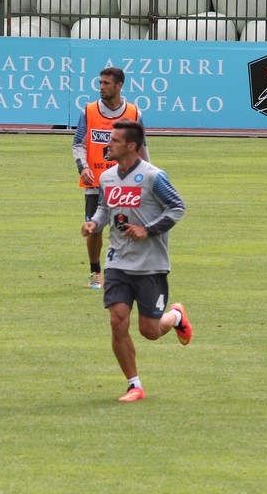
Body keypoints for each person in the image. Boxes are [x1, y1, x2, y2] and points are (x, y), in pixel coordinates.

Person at [80, 120, 192, 402]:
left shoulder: (154, 177)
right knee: (118, 320)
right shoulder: (107, 177)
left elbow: (177, 208)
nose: (108, 144)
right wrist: (94, 223)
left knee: (149, 331)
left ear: (131, 146)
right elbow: (104, 208)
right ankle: (134, 385)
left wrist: (148, 229)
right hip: (117, 262)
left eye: (114, 141)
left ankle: (176, 316)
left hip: (150, 264)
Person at [72, 66, 148, 289]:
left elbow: (142, 148)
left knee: (125, 228)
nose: (101, 87)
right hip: (95, 182)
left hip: (125, 183)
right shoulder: (89, 111)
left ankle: (125, 272)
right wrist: (83, 167)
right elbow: (78, 144)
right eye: (100, 83)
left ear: (119, 85)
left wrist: (149, 177)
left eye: (106, 83)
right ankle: (95, 274)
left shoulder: (133, 113)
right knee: (94, 228)